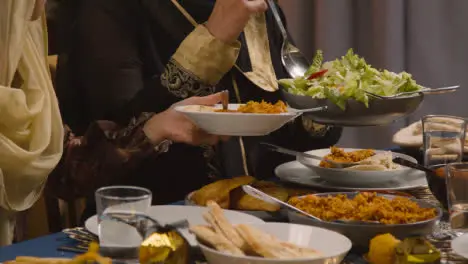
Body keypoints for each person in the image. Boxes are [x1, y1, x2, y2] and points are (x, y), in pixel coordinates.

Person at [55, 0, 343, 221]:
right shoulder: (109, 8)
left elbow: (288, 128)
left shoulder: (257, 7)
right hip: (150, 226)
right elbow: (110, 148)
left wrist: (327, 104)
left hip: (263, 216)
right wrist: (212, 39)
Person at [0, 0, 223, 246]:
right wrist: (212, 40)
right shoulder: (106, 10)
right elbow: (118, 113)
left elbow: (68, 174)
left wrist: (155, 130)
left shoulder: (22, 43)